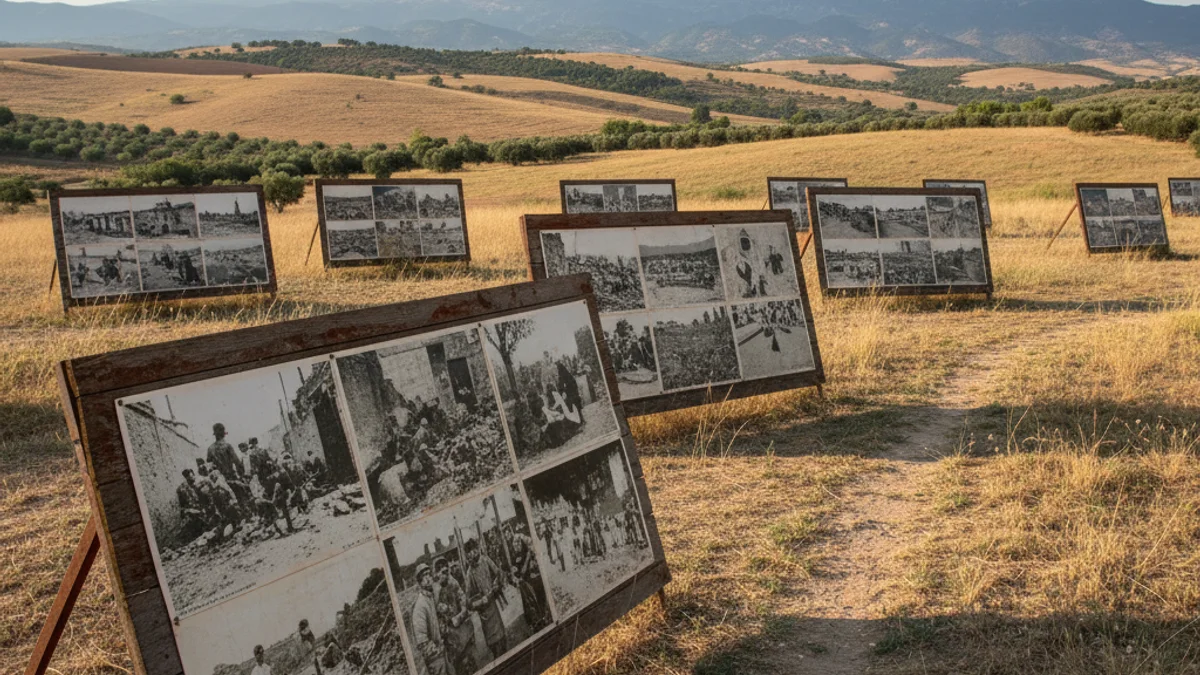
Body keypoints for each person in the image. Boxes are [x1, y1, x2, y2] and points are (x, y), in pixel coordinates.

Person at [464, 538, 507, 660]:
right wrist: (480, 601)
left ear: (477, 549)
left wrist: (496, 584)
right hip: (484, 613)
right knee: (494, 645)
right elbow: (468, 603)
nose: (472, 554)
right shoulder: (469, 573)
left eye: (474, 550)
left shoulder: (485, 560)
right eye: (469, 553)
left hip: (494, 606)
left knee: (502, 639)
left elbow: (499, 573)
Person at [435, 557, 475, 675]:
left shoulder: (453, 582)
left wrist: (462, 613)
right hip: (450, 636)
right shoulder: (435, 592)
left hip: (463, 628)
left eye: (447, 571)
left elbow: (462, 597)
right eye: (442, 572)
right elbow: (435, 619)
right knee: (460, 666)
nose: (445, 575)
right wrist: (447, 623)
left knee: (471, 661)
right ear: (436, 574)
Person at [411, 563, 449, 675]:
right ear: (419, 582)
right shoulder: (420, 606)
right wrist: (437, 651)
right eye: (424, 576)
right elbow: (422, 641)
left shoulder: (431, 598)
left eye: (429, 574)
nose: (428, 578)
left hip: (442, 653)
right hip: (435, 659)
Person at [507, 527, 548, 630]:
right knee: (529, 603)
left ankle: (543, 616)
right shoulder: (516, 555)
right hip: (525, 583)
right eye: (515, 544)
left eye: (518, 544)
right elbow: (519, 571)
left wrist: (530, 557)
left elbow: (534, 559)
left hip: (533, 578)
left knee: (539, 597)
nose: (517, 545)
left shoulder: (525, 548)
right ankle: (535, 621)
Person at [175, 469, 207, 544]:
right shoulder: (183, 489)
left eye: (191, 476)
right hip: (195, 510)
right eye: (188, 477)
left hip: (202, 507)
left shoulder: (199, 482)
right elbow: (183, 504)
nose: (191, 479)